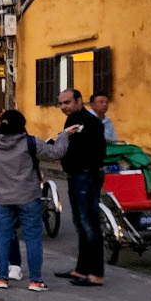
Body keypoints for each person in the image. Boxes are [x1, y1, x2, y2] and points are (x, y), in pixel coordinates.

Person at [0, 110, 73, 292]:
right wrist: (64, 135)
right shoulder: (30, 142)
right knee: (33, 238)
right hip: (28, 197)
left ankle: (2, 278)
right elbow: (56, 152)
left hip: (2, 198)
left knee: (3, 238)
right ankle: (35, 281)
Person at [56, 88, 108, 287]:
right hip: (74, 176)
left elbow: (97, 152)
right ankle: (81, 269)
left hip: (87, 176)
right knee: (79, 223)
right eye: (61, 103)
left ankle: (97, 273)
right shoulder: (71, 121)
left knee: (90, 224)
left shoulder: (92, 122)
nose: (64, 107)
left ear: (79, 100)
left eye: (67, 102)